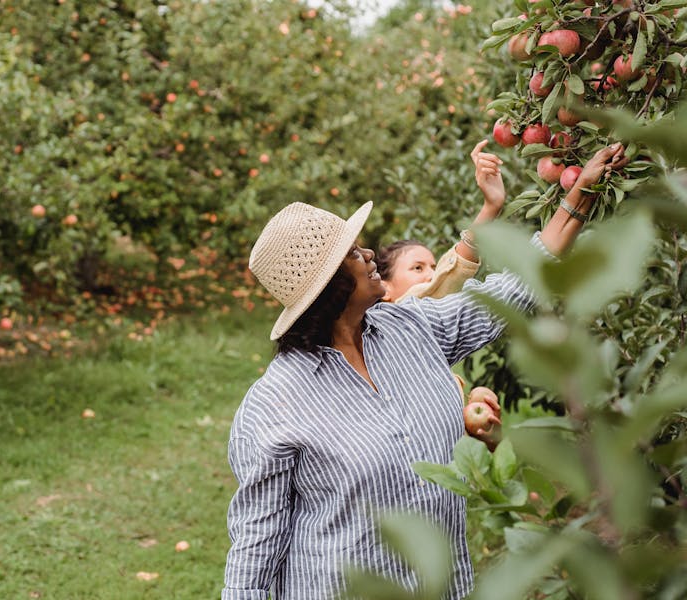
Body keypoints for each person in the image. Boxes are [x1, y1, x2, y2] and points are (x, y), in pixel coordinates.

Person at [222, 143, 628, 600]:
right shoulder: (274, 404)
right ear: (330, 285)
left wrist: (580, 197)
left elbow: (514, 289)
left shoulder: (411, 327)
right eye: (354, 254)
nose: (371, 253)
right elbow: (256, 546)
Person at [376, 140, 506, 447]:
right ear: (385, 290)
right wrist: (489, 209)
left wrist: (473, 407)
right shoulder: (394, 320)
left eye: (432, 266)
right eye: (417, 268)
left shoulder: (429, 338)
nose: (431, 275)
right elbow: (451, 274)